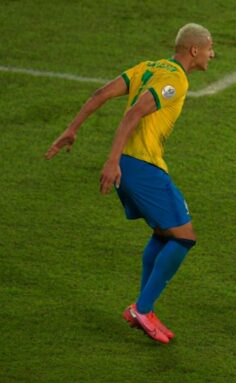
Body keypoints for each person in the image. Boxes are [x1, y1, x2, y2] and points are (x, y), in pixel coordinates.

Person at [45, 23, 215, 343]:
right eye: (209, 48)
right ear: (194, 50)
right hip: (140, 167)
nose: (212, 54)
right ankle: (142, 308)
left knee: (164, 233)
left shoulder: (147, 67)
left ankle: (142, 309)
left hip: (136, 167)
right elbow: (133, 114)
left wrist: (72, 128)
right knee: (184, 237)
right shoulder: (175, 80)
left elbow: (100, 94)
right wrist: (112, 160)